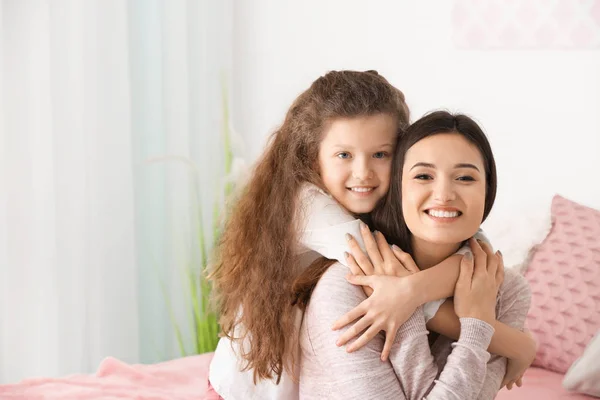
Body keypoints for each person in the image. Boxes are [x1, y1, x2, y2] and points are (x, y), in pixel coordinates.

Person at [208, 70, 533, 399]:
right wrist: (516, 343)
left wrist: (449, 275)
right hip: (251, 386)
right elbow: (392, 288)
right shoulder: (310, 207)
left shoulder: (388, 205)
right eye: (343, 155)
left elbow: (472, 247)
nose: (363, 173)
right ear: (312, 157)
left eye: (380, 154)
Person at [295, 111, 533, 399]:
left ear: (488, 192)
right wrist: (478, 327)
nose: (444, 194)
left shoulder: (505, 290)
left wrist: (474, 321)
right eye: (423, 175)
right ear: (398, 189)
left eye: (465, 177)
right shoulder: (347, 286)